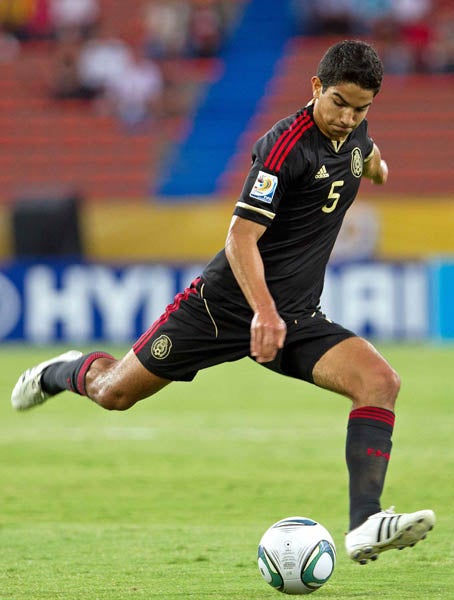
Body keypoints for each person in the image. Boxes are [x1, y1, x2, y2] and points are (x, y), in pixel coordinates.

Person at [11, 40, 435, 564]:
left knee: (380, 382)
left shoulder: (355, 134)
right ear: (316, 88)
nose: (347, 118)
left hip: (294, 317)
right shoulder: (284, 147)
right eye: (339, 103)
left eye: (360, 109)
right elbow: (240, 238)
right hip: (222, 308)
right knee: (113, 393)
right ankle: (60, 372)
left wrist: (377, 168)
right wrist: (264, 311)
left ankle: (364, 523)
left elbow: (366, 153)